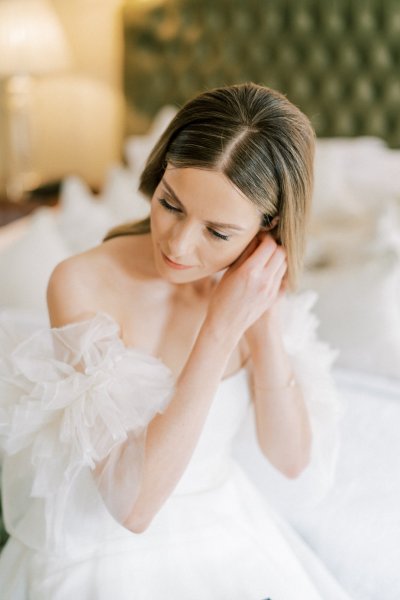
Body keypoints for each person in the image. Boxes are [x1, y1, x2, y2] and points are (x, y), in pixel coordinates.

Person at [0, 82, 352, 599]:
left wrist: (263, 315)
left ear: (266, 229)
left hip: (226, 528)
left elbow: (291, 458)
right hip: (104, 549)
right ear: (160, 170)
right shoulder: (80, 283)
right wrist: (219, 329)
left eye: (218, 232)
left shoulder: (251, 293)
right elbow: (133, 507)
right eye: (171, 203)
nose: (179, 245)